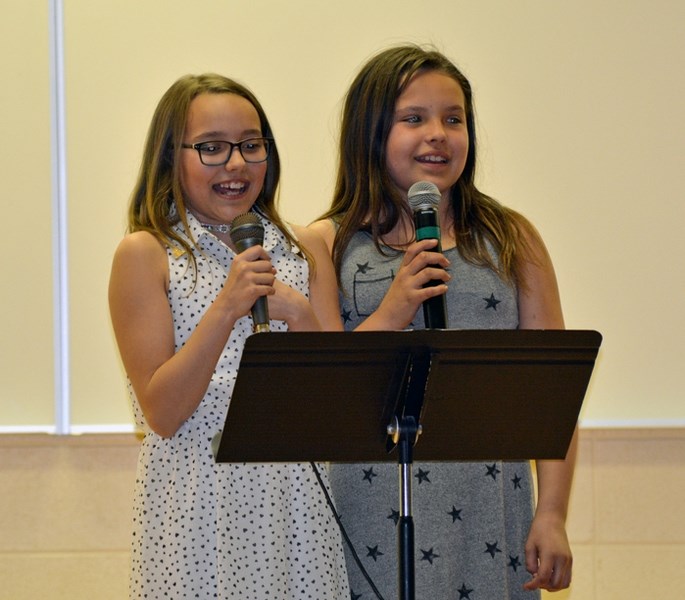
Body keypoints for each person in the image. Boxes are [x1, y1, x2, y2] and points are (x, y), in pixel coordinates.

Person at [310, 45, 576, 599]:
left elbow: (551, 392)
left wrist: (551, 514)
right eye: (414, 118)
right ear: (370, 132)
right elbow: (321, 392)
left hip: (489, 506)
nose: (438, 134)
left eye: (453, 119)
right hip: (369, 510)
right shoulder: (328, 243)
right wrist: (392, 312)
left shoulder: (510, 238)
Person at [108, 73, 349, 599]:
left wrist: (303, 316)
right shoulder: (146, 253)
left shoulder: (305, 248)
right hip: (198, 505)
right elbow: (163, 412)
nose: (236, 164)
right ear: (172, 156)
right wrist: (226, 307)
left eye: (250, 145)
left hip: (296, 506)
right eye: (212, 149)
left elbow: (339, 405)